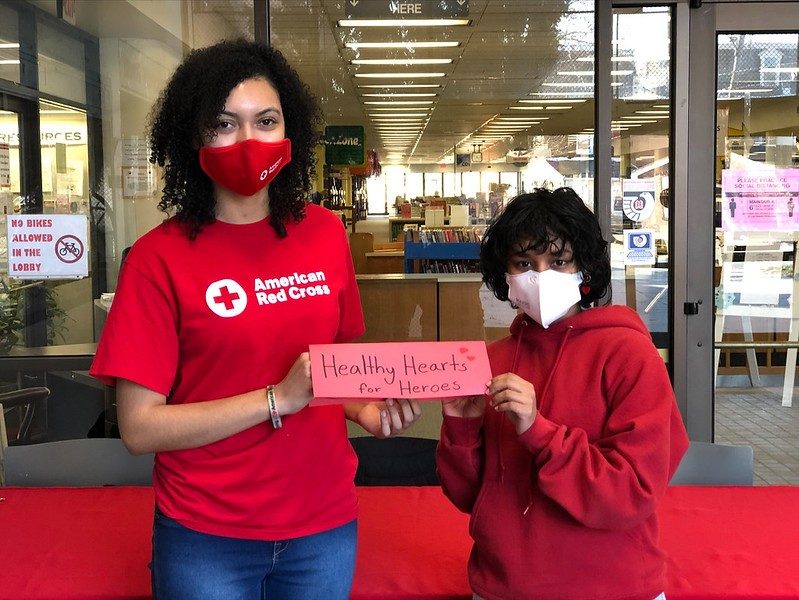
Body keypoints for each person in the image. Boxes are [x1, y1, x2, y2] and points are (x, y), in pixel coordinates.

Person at [90, 39, 420, 600]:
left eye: (266, 121)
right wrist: (276, 399)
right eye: (224, 123)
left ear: (290, 132)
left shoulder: (324, 235)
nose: (249, 141)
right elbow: (139, 427)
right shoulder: (156, 260)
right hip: (206, 533)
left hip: (324, 524)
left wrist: (369, 407)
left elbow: (335, 369)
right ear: (192, 137)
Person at [436, 187, 689, 600]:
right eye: (524, 263)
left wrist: (539, 431)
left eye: (558, 261)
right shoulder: (492, 360)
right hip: (503, 588)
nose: (541, 276)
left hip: (613, 589)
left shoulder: (627, 353)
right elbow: (470, 496)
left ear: (584, 268)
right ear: (506, 274)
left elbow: (632, 492)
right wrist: (461, 430)